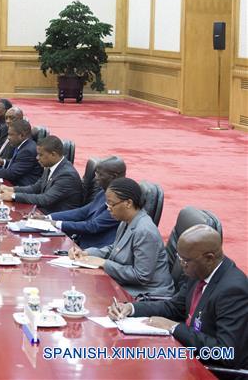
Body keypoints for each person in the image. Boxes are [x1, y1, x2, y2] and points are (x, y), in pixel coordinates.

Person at [109, 224, 248, 370]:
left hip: (210, 369)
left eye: (185, 260)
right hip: (187, 353)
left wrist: (174, 327)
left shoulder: (233, 290)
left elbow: (226, 353)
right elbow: (174, 307)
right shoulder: (199, 270)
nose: (181, 265)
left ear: (209, 258)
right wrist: (130, 308)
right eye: (179, 257)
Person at [70, 177, 174, 299]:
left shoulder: (144, 231)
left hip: (149, 294)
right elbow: (114, 248)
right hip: (128, 286)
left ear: (128, 203)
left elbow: (141, 276)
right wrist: (86, 253)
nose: (108, 208)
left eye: (111, 204)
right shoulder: (126, 221)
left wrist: (104, 263)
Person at [47, 156, 124, 249]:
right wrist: (48, 217)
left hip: (97, 250)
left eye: (100, 175)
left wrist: (56, 223)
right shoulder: (104, 192)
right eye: (96, 174)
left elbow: (93, 226)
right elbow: (83, 211)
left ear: (113, 176)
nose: (96, 178)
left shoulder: (121, 200)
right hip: (82, 243)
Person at [0, 135, 83, 214]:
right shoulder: (50, 166)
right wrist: (11, 189)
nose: (37, 158)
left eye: (40, 155)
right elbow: (35, 188)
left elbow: (45, 199)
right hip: (42, 213)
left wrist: (13, 196)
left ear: (53, 154)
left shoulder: (67, 175)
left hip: (57, 221)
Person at [0, 119, 42, 186]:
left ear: (22, 135)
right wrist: (3, 162)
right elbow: (19, 163)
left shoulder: (28, 150)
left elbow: (11, 174)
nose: (8, 138)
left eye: (11, 135)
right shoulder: (24, 145)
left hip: (22, 187)